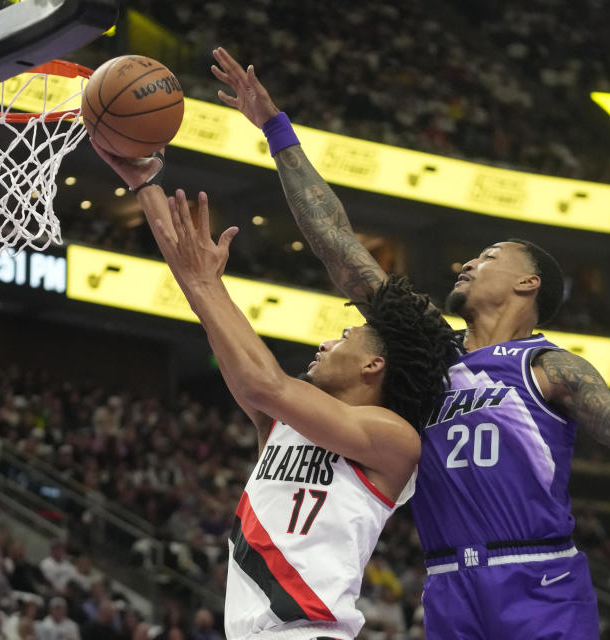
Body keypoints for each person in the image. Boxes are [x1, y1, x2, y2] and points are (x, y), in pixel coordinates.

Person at [209, 47, 610, 639]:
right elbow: (341, 249)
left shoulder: (551, 368)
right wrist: (277, 132)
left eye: (487, 256)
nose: (466, 263)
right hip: (448, 584)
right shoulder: (429, 352)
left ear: (528, 282)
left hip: (539, 579)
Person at [91, 135, 456, 640]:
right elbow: (201, 294)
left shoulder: (392, 438)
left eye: (345, 335)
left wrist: (206, 284)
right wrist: (147, 185)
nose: (327, 342)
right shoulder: (287, 422)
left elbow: (264, 382)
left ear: (374, 365)